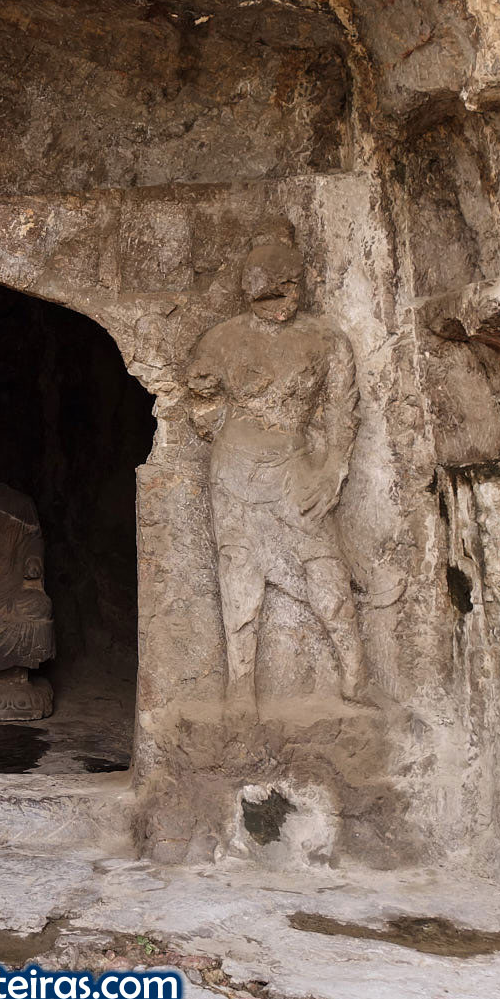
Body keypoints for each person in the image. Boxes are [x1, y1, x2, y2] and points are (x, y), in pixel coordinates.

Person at [187, 244, 366, 706]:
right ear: (248, 288)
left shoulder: (326, 340)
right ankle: (240, 684)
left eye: (288, 286)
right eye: (268, 289)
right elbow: (202, 405)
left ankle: (355, 672)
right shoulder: (220, 340)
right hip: (234, 471)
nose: (279, 298)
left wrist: (332, 470)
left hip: (297, 468)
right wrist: (243, 444)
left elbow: (341, 412)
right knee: (238, 570)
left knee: (325, 567)